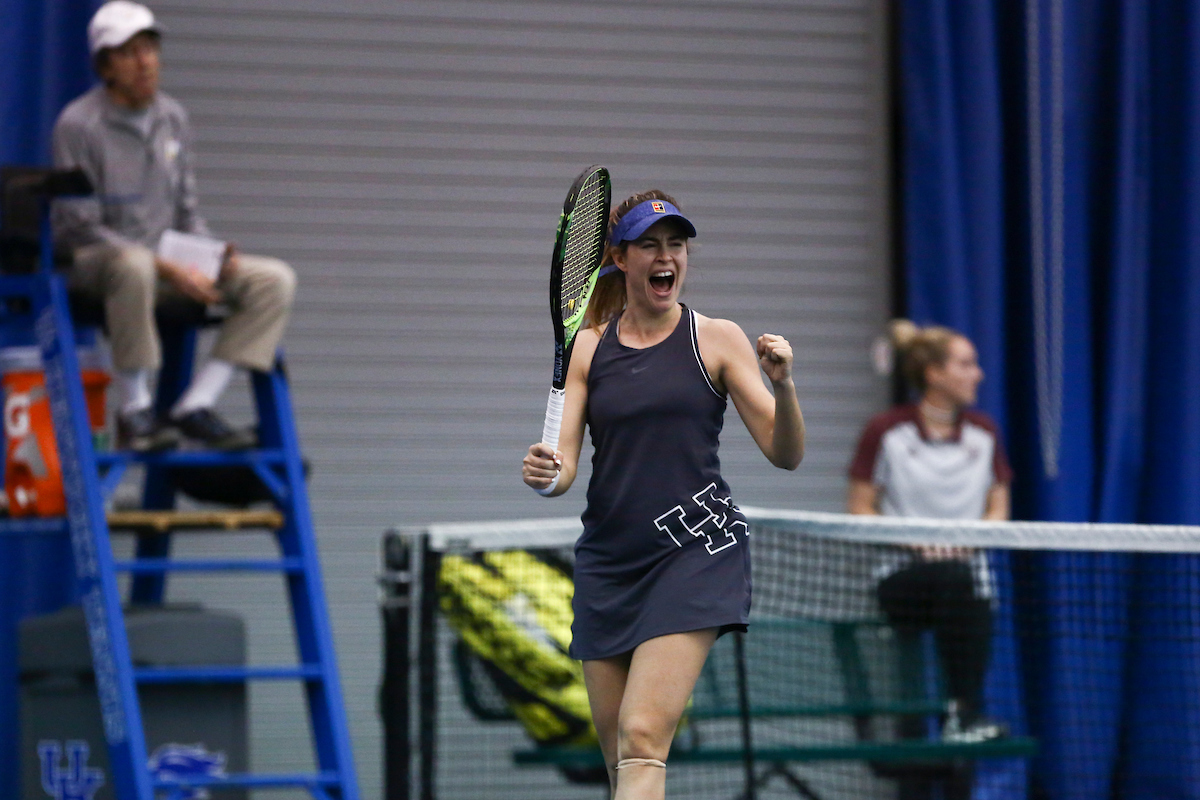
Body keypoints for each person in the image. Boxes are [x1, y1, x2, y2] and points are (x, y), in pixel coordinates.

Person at [522, 191, 805, 800]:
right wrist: (548, 470)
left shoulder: (719, 339)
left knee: (643, 734)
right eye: (649, 244)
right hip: (609, 560)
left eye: (675, 243)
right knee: (620, 756)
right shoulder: (589, 347)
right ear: (620, 259)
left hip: (694, 549)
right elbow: (565, 467)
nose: (665, 255)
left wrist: (784, 389)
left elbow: (786, 454)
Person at [51, 1, 296, 452]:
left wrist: (213, 253)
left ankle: (194, 406)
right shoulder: (78, 124)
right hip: (98, 265)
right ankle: (135, 409)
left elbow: (186, 212)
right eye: (129, 53)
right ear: (106, 65)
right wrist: (167, 268)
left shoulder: (174, 119)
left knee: (273, 280)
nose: (145, 62)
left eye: (150, 49)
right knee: (134, 264)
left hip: (164, 265)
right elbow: (78, 226)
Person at [847, 320, 1011, 800]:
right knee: (910, 715)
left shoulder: (984, 433)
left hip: (968, 590)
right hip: (902, 585)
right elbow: (859, 506)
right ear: (934, 373)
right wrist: (915, 545)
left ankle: (964, 717)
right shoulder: (887, 431)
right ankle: (967, 713)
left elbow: (999, 507)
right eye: (966, 364)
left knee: (961, 583)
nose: (978, 374)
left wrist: (970, 542)